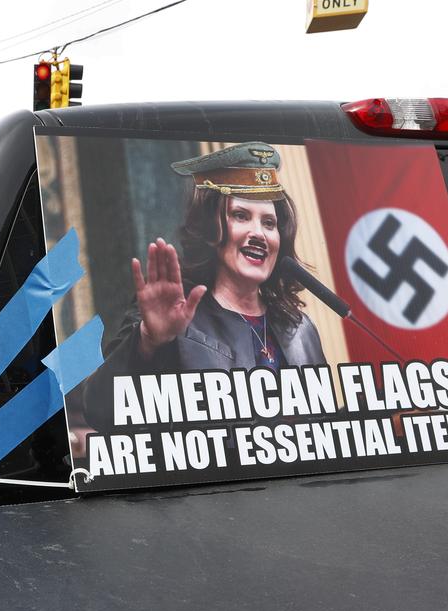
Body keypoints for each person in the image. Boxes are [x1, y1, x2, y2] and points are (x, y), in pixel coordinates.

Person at [83, 142, 326, 432]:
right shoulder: (174, 315)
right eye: (240, 216)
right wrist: (148, 341)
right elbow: (101, 411)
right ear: (211, 230)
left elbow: (322, 428)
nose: (258, 234)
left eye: (269, 223)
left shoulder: (300, 329)